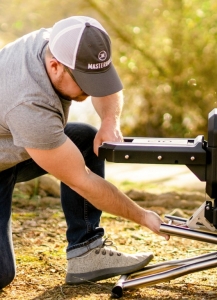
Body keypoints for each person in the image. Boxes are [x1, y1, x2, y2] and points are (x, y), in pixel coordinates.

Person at [0, 16, 169, 289]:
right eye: (85, 82)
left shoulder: (71, 42)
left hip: (11, 148)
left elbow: (106, 82)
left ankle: (86, 252)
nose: (92, 92)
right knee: (1, 274)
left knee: (84, 139)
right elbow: (82, 181)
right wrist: (143, 216)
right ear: (55, 67)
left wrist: (109, 123)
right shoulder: (28, 103)